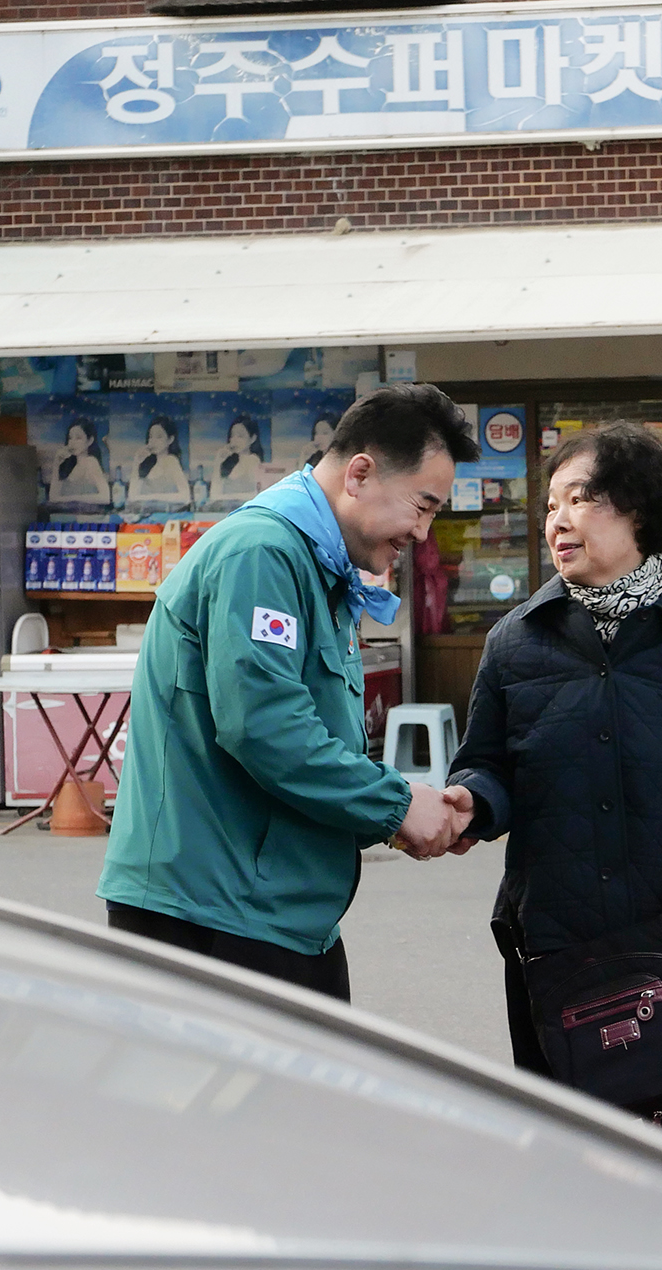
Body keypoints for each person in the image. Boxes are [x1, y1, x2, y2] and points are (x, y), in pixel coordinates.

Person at [446, 423, 662, 1158]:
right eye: (550, 505)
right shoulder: (515, 643)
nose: (558, 521)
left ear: (637, 512)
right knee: (570, 1161)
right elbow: (488, 766)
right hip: (557, 947)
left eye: (581, 499)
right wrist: (472, 802)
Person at [98, 384, 481, 999]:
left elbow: (310, 740)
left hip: (273, 912)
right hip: (213, 916)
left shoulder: (316, 563)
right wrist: (396, 805)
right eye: (422, 505)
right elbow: (266, 727)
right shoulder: (262, 554)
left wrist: (400, 812)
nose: (423, 532)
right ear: (360, 473)